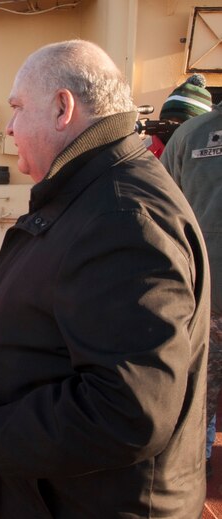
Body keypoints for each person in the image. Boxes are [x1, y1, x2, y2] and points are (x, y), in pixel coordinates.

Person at [0, 40, 210, 518]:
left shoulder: (123, 218)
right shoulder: (90, 192)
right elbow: (45, 305)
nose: (9, 127)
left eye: (16, 109)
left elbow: (126, 411)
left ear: (61, 108)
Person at [161, 101, 222, 479]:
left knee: (198, 394)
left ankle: (194, 462)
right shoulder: (190, 135)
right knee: (197, 393)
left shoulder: (189, 135)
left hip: (201, 298)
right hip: (204, 301)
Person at [143, 73, 212, 158]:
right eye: (167, 122)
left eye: (181, 123)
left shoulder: (207, 156)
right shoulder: (144, 151)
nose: (173, 128)